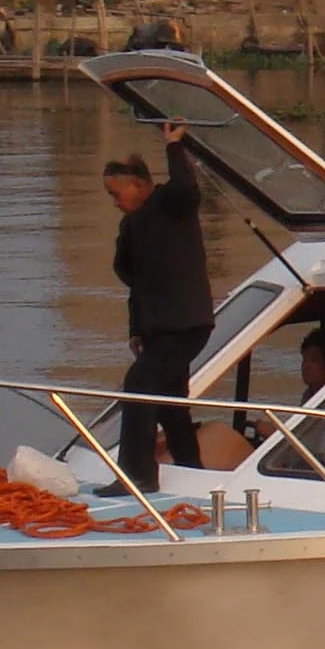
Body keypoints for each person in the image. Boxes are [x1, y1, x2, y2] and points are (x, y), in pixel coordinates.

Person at [104, 123, 214, 491]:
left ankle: (137, 475)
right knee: (169, 401)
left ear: (138, 185)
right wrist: (135, 328)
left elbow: (187, 188)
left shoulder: (170, 203)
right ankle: (191, 469)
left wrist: (173, 147)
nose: (115, 202)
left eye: (117, 193)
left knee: (138, 383)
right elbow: (133, 279)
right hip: (158, 326)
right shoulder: (132, 225)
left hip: (185, 323)